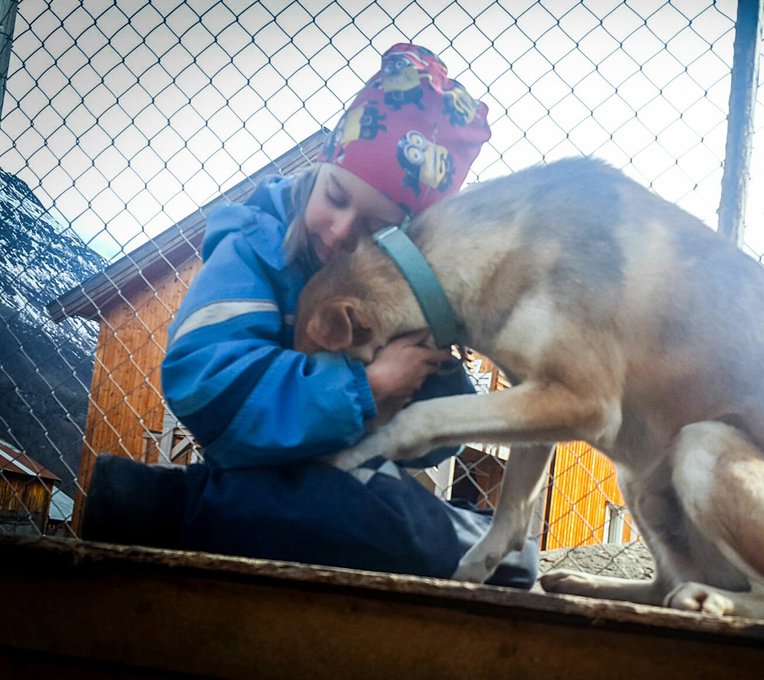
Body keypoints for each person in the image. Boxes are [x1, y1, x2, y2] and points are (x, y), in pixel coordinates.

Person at [81, 44, 538, 588]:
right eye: (336, 195)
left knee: (362, 511)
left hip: (344, 481)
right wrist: (366, 385)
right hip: (261, 473)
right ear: (321, 167)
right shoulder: (256, 247)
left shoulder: (402, 295)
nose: (342, 230)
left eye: (376, 229)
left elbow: (439, 443)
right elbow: (204, 381)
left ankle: (155, 506)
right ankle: (169, 504)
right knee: (347, 518)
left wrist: (427, 366)